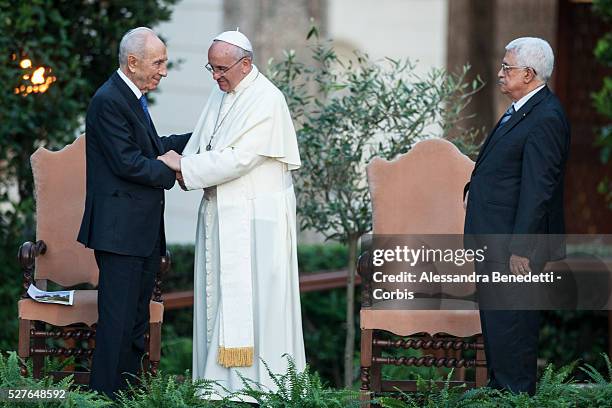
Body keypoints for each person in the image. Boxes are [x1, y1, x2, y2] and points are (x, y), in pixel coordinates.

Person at [157, 30, 305, 401]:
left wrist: (185, 167)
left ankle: (261, 390)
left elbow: (241, 157)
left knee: (257, 307)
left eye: (221, 68)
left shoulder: (267, 100)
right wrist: (182, 161)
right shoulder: (220, 92)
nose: (215, 75)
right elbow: (204, 142)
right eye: (211, 67)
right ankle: (217, 388)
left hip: (257, 223)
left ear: (246, 64)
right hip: (222, 213)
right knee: (217, 300)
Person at [77, 27, 191, 398]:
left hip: (138, 234)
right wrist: (175, 168)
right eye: (158, 63)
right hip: (120, 234)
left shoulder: (133, 98)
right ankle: (102, 401)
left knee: (134, 327)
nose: (163, 70)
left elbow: (154, 148)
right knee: (117, 327)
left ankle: (125, 398)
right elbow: (130, 163)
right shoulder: (109, 100)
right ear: (133, 62)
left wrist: (200, 138)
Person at [463, 37, 570, 395]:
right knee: (497, 324)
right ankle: (499, 394)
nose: (500, 73)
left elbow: (539, 189)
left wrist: (521, 249)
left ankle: (515, 398)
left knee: (513, 326)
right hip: (495, 239)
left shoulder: (546, 117)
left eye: (507, 67)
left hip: (514, 246)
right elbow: (506, 171)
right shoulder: (524, 109)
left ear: (529, 73)